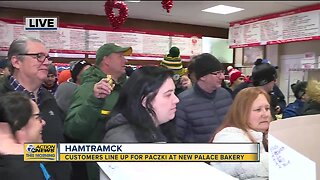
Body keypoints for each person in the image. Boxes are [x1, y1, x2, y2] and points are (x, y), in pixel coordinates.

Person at [0, 36, 71, 180]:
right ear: (16, 61)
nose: (47, 63)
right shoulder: (2, 100)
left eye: (47, 57)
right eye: (39, 56)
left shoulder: (49, 98)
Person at [64, 43, 132, 180]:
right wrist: (94, 101)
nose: (126, 60)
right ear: (106, 60)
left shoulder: (129, 86)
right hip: (100, 167)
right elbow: (73, 129)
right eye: (120, 56)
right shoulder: (88, 89)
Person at [103, 66, 179, 142]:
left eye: (174, 93)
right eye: (168, 95)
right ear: (144, 100)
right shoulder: (122, 140)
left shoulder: (161, 128)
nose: (176, 100)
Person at [210, 87, 270, 180]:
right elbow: (245, 165)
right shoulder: (228, 136)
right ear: (242, 112)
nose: (265, 114)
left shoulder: (260, 135)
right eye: (258, 110)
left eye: (267, 108)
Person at [175, 53, 232, 143]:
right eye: (217, 73)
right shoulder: (183, 102)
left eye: (222, 72)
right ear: (203, 76)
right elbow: (177, 137)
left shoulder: (225, 95)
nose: (222, 77)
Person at [0, 91, 48, 180]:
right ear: (19, 124)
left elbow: (60, 152)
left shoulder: (27, 153)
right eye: (38, 118)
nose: (43, 122)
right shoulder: (25, 171)